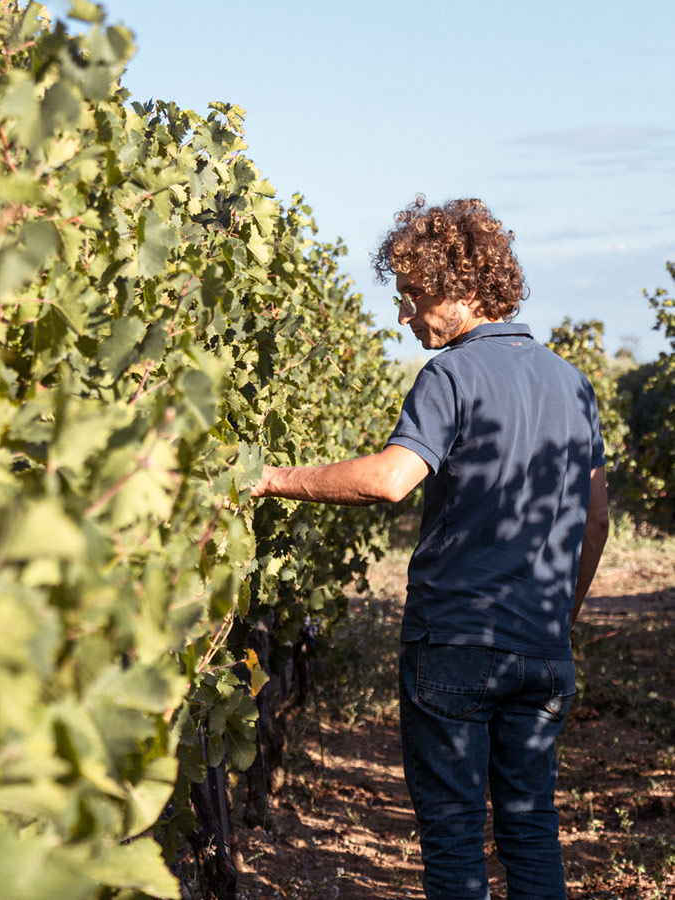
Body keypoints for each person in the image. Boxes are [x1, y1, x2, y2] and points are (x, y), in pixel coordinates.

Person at [251, 196, 609, 900]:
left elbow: (390, 481)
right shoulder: (574, 384)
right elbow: (593, 524)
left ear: (469, 288)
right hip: (541, 649)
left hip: (456, 646)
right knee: (532, 830)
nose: (405, 315)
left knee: (452, 841)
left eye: (417, 297)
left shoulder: (449, 377)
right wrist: (557, 622)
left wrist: (271, 479)